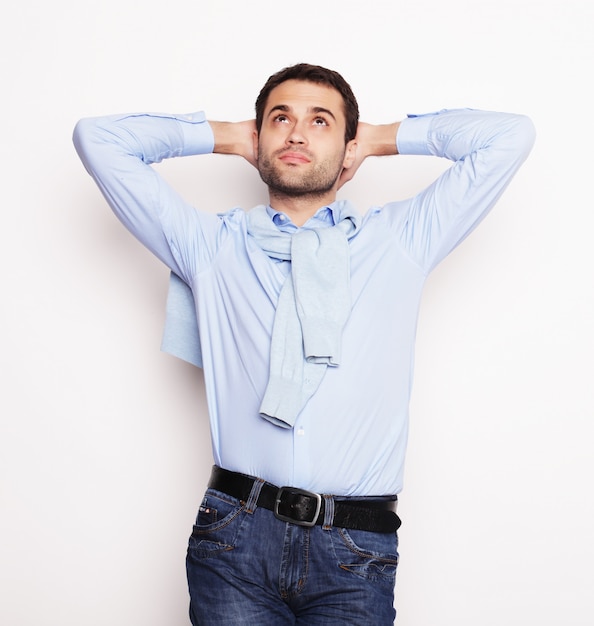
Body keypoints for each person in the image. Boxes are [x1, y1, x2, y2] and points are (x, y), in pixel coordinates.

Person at [73, 63, 535, 625]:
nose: (296, 133)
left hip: (355, 548)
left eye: (320, 121)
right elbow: (98, 139)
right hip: (233, 540)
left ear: (347, 147)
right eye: (279, 119)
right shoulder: (212, 247)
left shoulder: (400, 241)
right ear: (258, 137)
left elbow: (509, 136)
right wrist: (226, 135)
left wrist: (380, 139)